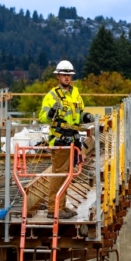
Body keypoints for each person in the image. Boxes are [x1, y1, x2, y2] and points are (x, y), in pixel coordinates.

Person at [30, 60, 95, 219]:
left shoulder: (75, 94)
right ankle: (54, 208)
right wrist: (51, 113)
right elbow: (43, 117)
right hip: (60, 141)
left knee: (67, 175)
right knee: (59, 174)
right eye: (64, 75)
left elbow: (76, 115)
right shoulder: (52, 95)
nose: (66, 77)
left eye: (69, 75)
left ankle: (62, 205)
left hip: (72, 139)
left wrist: (85, 116)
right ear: (58, 76)